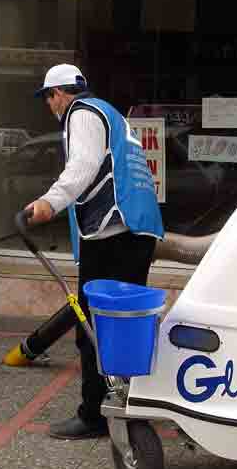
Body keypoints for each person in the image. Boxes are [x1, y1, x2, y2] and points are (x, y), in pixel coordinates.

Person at [28, 64, 164, 439]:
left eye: (48, 98)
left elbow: (83, 167)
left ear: (59, 93)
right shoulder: (109, 112)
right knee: (125, 325)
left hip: (112, 235)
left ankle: (94, 415)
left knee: (92, 327)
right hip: (134, 230)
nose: (50, 105)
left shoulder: (82, 113)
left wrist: (49, 202)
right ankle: (131, 404)